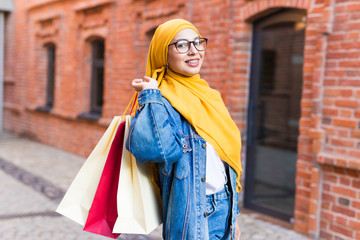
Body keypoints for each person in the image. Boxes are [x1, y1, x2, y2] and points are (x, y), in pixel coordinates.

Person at [126, 19, 242, 240]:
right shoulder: (161, 102)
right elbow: (158, 152)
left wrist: (234, 216)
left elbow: (226, 163)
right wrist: (150, 97)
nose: (194, 51)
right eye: (182, 45)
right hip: (192, 211)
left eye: (198, 42)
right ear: (163, 53)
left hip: (225, 206)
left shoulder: (209, 97)